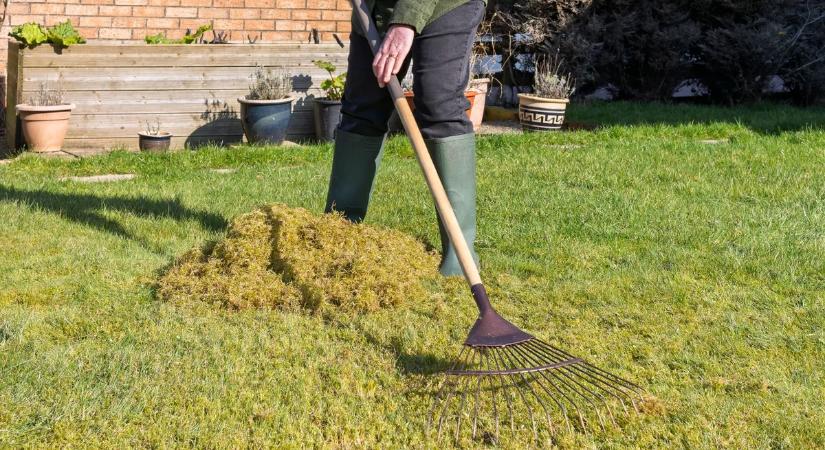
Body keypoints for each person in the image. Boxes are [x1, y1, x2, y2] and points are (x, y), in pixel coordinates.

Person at [325, 0, 486, 276]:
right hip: (376, 7)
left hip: (448, 6)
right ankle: (340, 231)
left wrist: (406, 20)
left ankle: (459, 258)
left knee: (439, 105)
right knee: (363, 107)